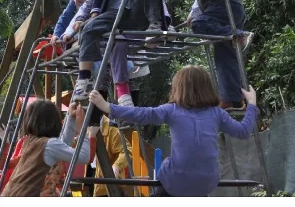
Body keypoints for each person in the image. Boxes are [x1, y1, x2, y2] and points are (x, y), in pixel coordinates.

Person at [88, 65, 259, 197]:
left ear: (179, 88)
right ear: (208, 87)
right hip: (207, 182)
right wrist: (251, 104)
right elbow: (243, 131)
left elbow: (142, 114)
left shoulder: (172, 110)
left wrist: (107, 107)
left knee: (167, 171)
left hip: (176, 180)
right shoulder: (216, 113)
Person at [0, 100, 94, 196]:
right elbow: (84, 157)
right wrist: (81, 130)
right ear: (55, 121)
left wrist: (71, 118)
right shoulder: (49, 144)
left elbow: (63, 144)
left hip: (12, 192)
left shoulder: (31, 141)